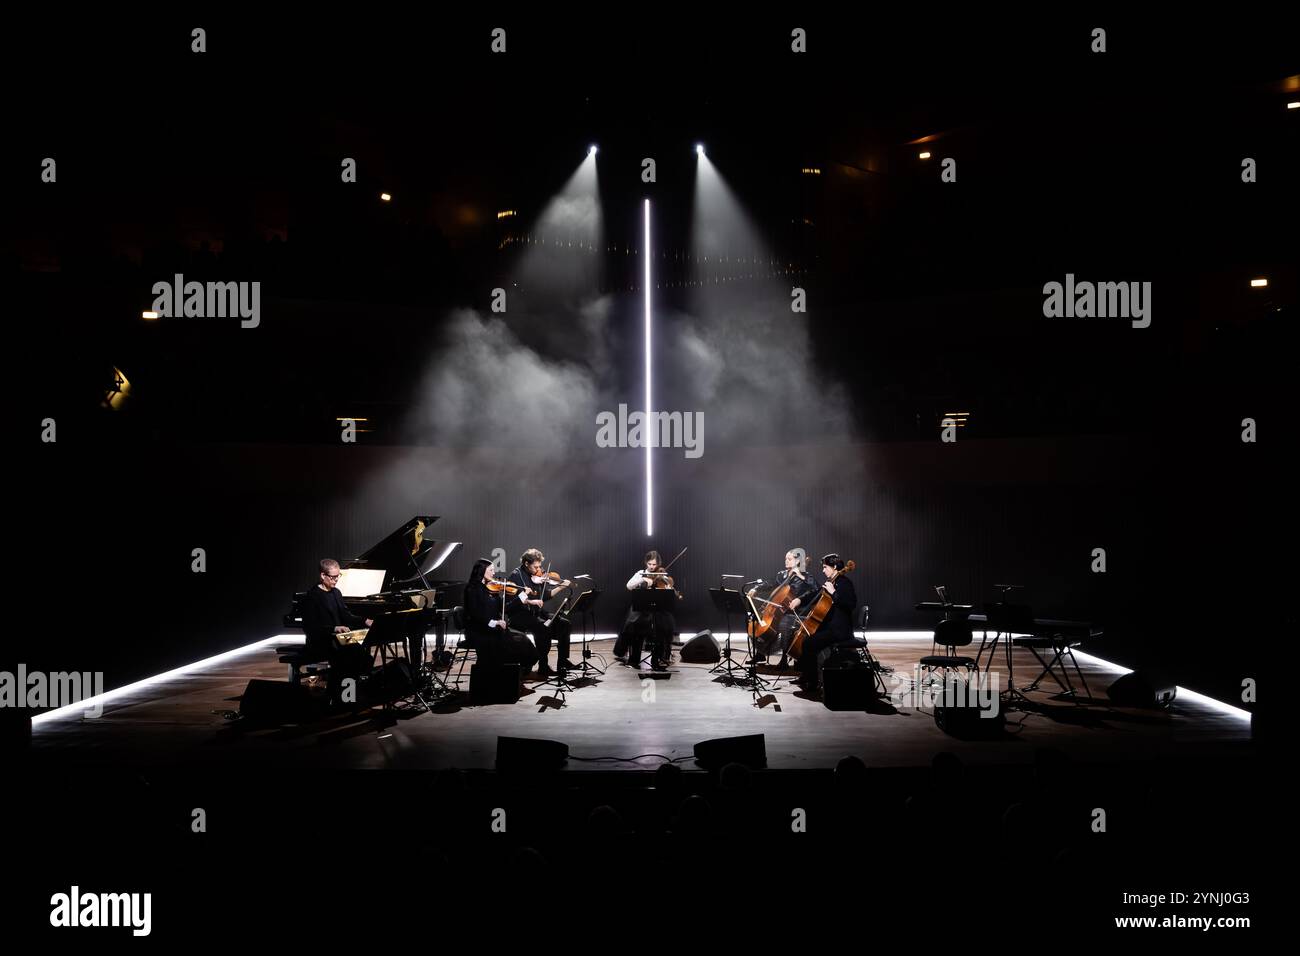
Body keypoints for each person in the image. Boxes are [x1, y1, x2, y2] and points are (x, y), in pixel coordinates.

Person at [300, 558, 374, 708]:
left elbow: (346, 616)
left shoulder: (336, 593)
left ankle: (348, 695)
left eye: (338, 576)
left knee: (363, 655)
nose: (336, 580)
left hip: (337, 639)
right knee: (351, 655)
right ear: (323, 575)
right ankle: (343, 697)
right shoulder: (313, 596)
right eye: (333, 577)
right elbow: (310, 627)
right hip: (321, 640)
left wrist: (365, 620)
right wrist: (334, 628)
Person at [506, 548, 577, 678]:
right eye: (535, 566)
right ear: (526, 564)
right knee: (543, 627)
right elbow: (511, 603)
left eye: (540, 566)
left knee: (564, 624)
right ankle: (543, 666)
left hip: (535, 612)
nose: (538, 570)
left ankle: (563, 662)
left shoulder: (537, 577)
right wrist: (530, 601)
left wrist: (561, 586)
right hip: (520, 614)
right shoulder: (516, 576)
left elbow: (545, 596)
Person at [463, 557, 538, 678]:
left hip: (494, 629)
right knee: (514, 644)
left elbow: (506, 608)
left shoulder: (492, 589)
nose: (494, 573)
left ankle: (517, 675)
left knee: (524, 640)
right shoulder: (472, 589)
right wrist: (494, 622)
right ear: (482, 570)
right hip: (479, 630)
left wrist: (522, 597)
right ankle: (504, 677)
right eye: (491, 570)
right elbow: (474, 613)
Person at [794, 553, 857, 693]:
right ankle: (806, 675)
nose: (823, 570)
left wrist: (834, 593)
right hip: (830, 627)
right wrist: (799, 600)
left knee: (808, 643)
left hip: (840, 630)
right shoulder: (831, 582)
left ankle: (812, 682)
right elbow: (815, 594)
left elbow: (850, 604)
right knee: (804, 637)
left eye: (825, 567)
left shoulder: (844, 583)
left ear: (834, 567)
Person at [749, 547, 820, 662]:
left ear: (797, 561)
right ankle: (760, 653)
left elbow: (816, 589)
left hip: (796, 612)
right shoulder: (781, 575)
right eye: (785, 559)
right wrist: (756, 588)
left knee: (784, 623)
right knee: (753, 621)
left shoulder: (806, 576)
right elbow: (770, 583)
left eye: (789, 559)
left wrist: (800, 593)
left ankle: (784, 658)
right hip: (780, 610)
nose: (786, 561)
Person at [614, 550, 677, 670]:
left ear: (658, 563)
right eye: (650, 564)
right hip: (641, 610)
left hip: (658, 610)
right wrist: (643, 580)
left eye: (654, 564)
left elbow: (670, 589)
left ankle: (657, 659)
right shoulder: (640, 573)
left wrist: (668, 587)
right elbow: (629, 586)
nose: (652, 567)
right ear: (646, 563)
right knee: (634, 627)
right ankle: (634, 660)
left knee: (665, 627)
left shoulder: (662, 575)